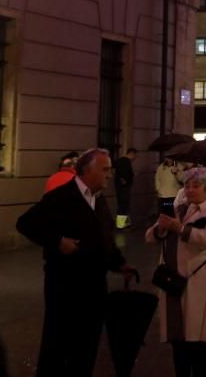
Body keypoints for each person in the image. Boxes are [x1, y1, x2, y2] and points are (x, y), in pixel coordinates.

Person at [16, 148, 135, 376]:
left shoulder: (98, 200)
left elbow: (104, 239)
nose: (110, 175)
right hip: (65, 287)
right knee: (58, 347)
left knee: (86, 348)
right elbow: (25, 223)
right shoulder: (61, 197)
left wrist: (120, 264)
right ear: (87, 171)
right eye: (105, 169)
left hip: (94, 287)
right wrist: (58, 241)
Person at [145, 167, 206, 377]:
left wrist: (180, 229)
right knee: (177, 338)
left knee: (195, 337)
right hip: (171, 280)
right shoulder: (178, 209)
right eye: (187, 185)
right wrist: (161, 228)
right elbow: (150, 237)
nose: (190, 190)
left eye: (195, 186)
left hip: (196, 280)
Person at [114, 147, 136, 229]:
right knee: (123, 205)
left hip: (120, 187)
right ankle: (120, 225)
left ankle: (123, 223)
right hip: (123, 188)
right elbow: (124, 174)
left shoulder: (120, 161)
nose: (135, 158)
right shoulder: (126, 161)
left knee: (122, 205)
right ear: (131, 154)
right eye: (135, 156)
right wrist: (125, 182)